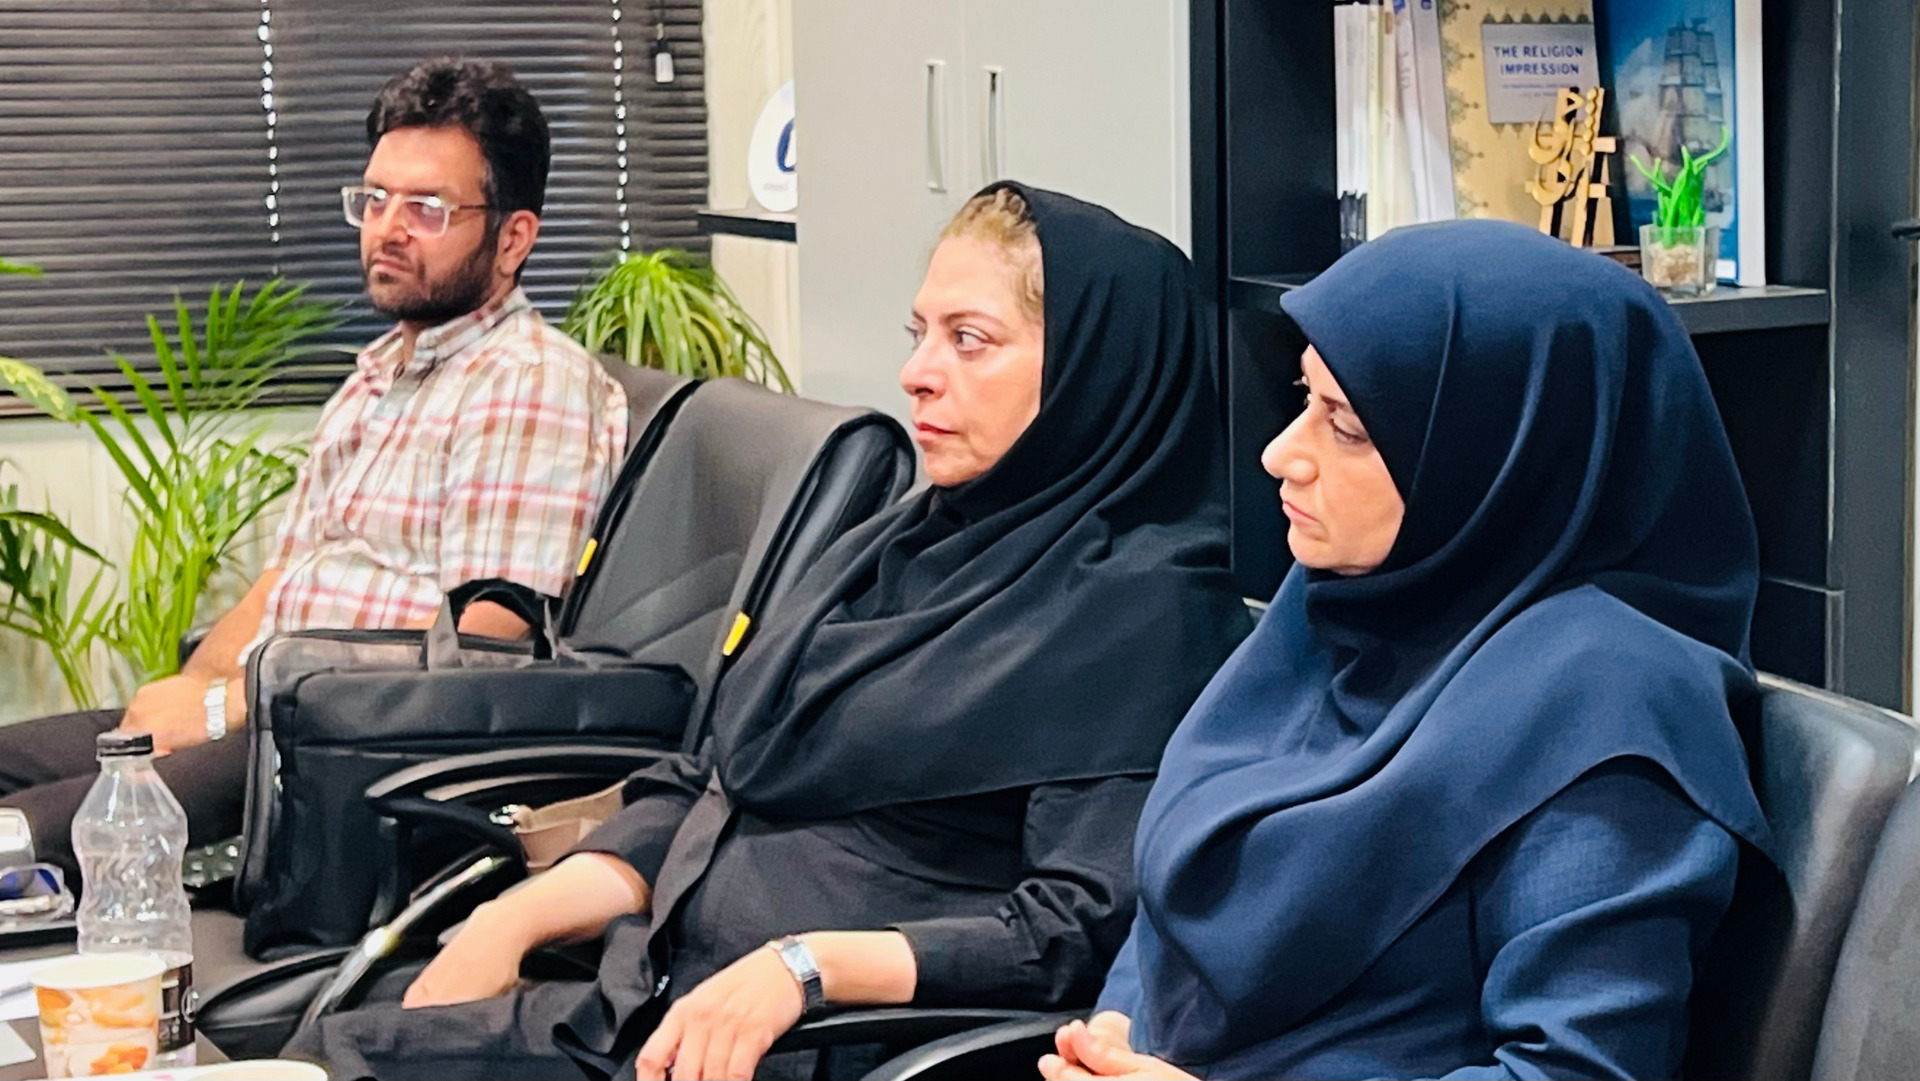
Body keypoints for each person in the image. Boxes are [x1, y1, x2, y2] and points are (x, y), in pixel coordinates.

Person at [285, 183, 1252, 1081]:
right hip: (646, 1001)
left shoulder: (1139, 619)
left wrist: (807, 968)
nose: (917, 374)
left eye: (971, 340)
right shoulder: (895, 549)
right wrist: (514, 917)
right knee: (323, 1052)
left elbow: (1071, 933)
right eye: (920, 333)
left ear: (1091, 375)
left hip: (814, 1048)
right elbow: (712, 775)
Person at [1042, 221, 1774, 1081]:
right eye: (1305, 399)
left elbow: (1576, 1070)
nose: (1282, 454)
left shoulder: (1611, 713)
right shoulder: (1345, 603)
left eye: (1347, 427)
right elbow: (1181, 886)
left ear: (1495, 449)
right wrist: (1117, 1034)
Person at [0, 57, 626, 887]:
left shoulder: (528, 382)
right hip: (260, 713)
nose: (388, 228)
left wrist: (221, 710)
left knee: (21, 839)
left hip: (347, 746)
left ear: (513, 237)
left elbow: (481, 649)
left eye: (427, 208)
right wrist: (189, 695)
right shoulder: (378, 374)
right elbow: (283, 579)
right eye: (376, 199)